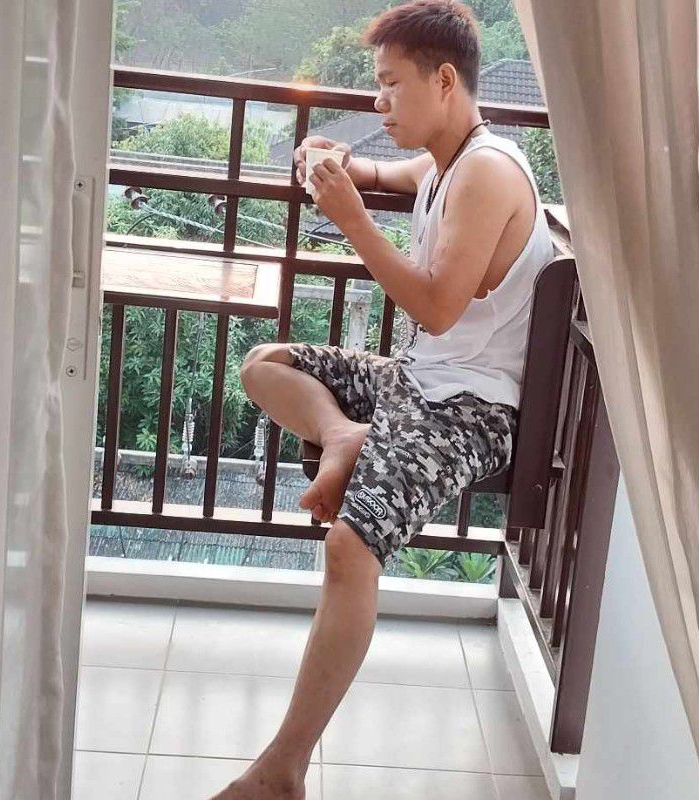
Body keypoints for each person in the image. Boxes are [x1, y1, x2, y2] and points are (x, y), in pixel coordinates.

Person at [212, 1, 554, 797]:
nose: (379, 100)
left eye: (391, 84)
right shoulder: (445, 162)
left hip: (474, 409)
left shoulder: (488, 173)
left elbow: (435, 306)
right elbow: (378, 174)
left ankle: (282, 769)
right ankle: (342, 435)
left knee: (349, 549)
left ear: (445, 81)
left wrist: (353, 219)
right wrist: (337, 163)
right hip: (417, 381)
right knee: (264, 363)